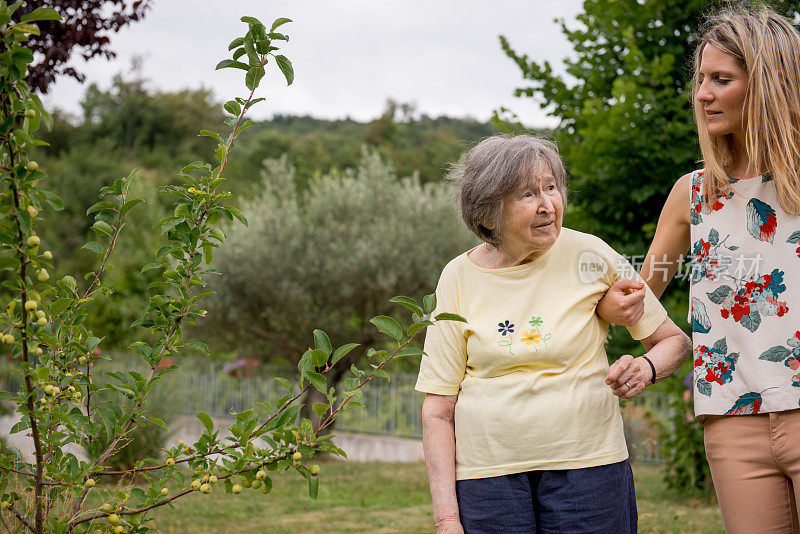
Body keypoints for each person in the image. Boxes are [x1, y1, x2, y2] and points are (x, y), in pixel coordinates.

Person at [416, 134, 691, 533]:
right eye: (527, 194)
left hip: (590, 469)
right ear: (488, 214)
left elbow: (673, 341)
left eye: (551, 187)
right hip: (488, 479)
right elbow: (438, 410)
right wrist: (445, 519)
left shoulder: (590, 255)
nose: (548, 205)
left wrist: (645, 368)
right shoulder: (458, 277)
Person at [598, 5, 800, 532]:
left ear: (768, 85)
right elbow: (636, 295)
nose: (703, 93)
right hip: (732, 426)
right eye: (701, 80)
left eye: (721, 79)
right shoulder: (693, 195)